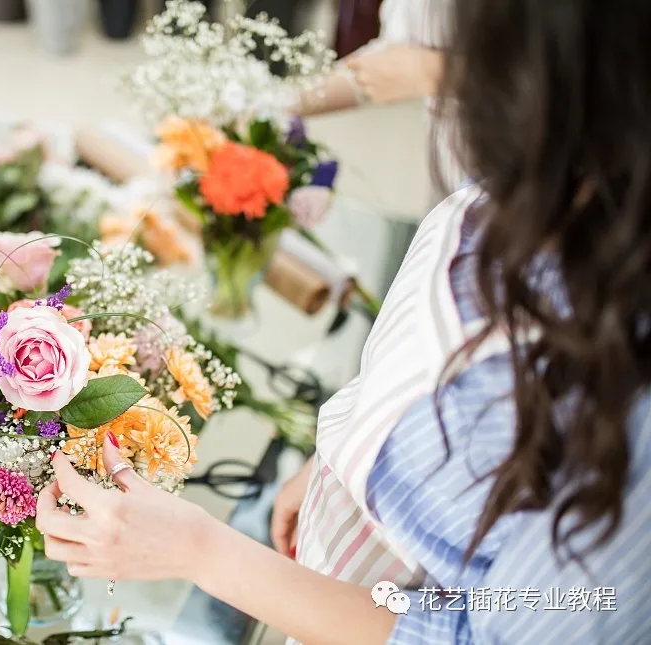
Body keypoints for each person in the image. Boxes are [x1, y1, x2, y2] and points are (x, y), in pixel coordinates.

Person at [35, 0, 651, 643]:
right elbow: (422, 376)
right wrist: (345, 454)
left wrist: (203, 550)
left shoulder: (630, 430)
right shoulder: (543, 180)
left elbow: (481, 631)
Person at [300, 0, 460, 197]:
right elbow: (387, 61)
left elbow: (507, 69)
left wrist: (429, 70)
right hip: (449, 178)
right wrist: (276, 104)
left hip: (499, 179)